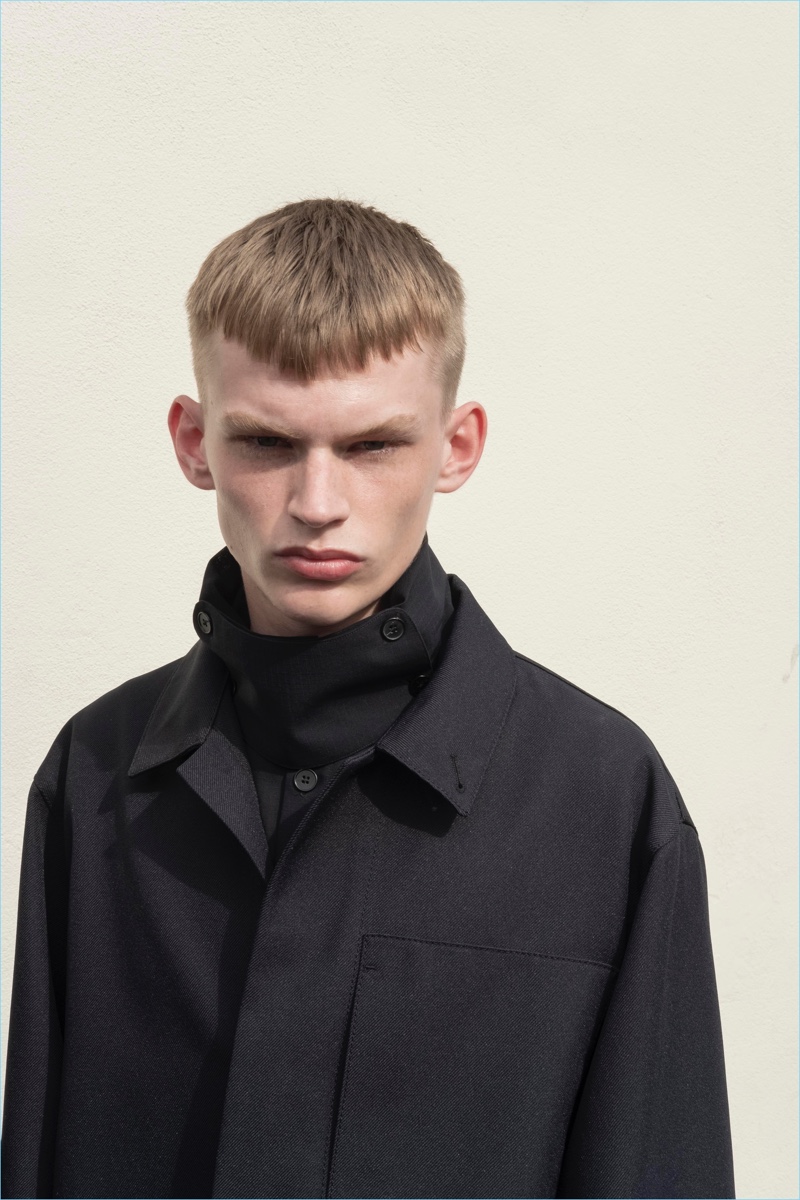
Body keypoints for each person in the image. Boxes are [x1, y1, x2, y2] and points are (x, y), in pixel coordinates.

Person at [2, 198, 735, 1200]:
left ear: (456, 446)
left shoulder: (602, 800)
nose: (316, 504)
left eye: (372, 446)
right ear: (194, 441)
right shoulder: (95, 775)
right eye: (267, 443)